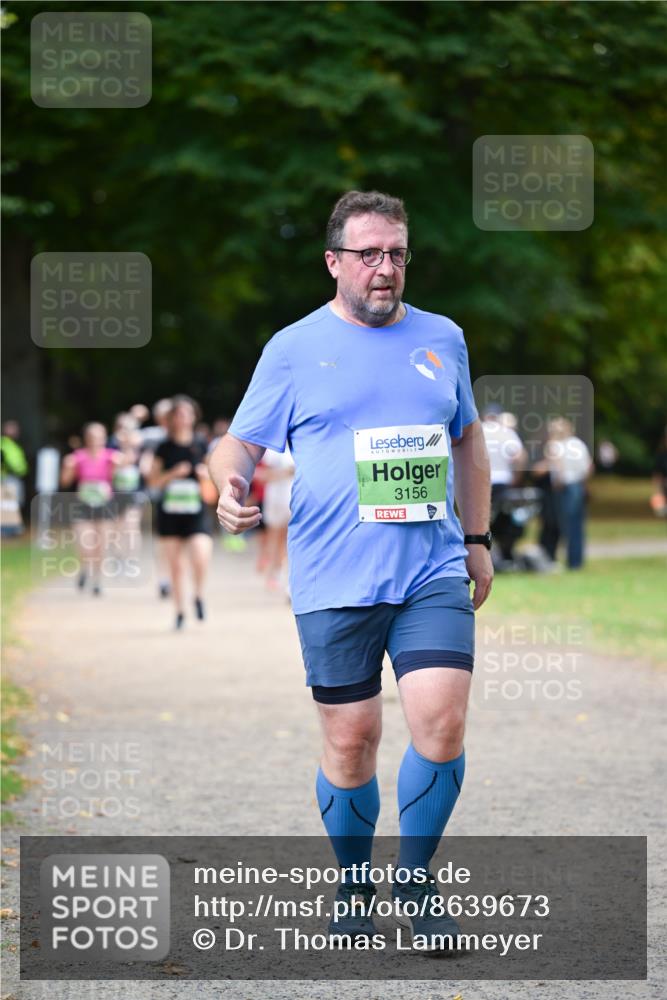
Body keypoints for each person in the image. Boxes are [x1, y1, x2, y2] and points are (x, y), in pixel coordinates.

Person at [210, 190, 493, 951]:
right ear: (333, 261)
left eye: (396, 253)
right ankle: (352, 883)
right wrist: (226, 486)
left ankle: (419, 880)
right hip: (333, 575)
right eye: (368, 253)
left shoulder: (444, 337)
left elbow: (467, 442)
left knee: (439, 718)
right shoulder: (293, 347)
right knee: (352, 738)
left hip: (429, 568)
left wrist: (477, 537)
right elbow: (238, 443)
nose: (384, 267)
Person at [147, 395, 213, 630]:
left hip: (196, 513)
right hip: (170, 514)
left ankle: (198, 595)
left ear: (194, 416)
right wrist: (172, 474)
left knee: (200, 556)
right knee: (175, 566)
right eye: (178, 414)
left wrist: (206, 475)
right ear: (171, 419)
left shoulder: (201, 444)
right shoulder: (163, 448)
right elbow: (153, 482)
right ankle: (179, 611)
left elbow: (211, 482)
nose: (183, 418)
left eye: (187, 413)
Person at [60, 422, 126, 595]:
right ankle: (84, 567)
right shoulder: (78, 457)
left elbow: (123, 478)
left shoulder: (112, 456)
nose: (95, 440)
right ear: (86, 438)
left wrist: (119, 465)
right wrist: (68, 467)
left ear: (104, 438)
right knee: (85, 544)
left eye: (99, 436)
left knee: (101, 544)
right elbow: (65, 481)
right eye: (92, 437)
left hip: (105, 504)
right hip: (82, 505)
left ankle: (97, 580)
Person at [543, 417, 593, 569]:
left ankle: (571, 561)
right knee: (577, 525)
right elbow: (589, 467)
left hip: (565, 488)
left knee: (566, 525)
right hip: (577, 486)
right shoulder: (578, 444)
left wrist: (558, 481)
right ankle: (576, 561)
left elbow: (558, 465)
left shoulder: (555, 445)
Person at [481, 406, 526, 564]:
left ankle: (485, 555)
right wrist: (516, 478)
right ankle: (505, 555)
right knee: (505, 519)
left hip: (482, 483)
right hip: (503, 481)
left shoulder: (479, 430)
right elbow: (520, 457)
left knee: (483, 520)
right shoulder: (507, 433)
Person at [1, 420, 28, 537]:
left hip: (14, 477)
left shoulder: (13, 444)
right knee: (8, 504)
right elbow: (8, 461)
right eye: (12, 429)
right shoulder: (4, 444)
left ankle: (13, 529)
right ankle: (7, 531)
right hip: (7, 477)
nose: (15, 432)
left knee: (13, 503)